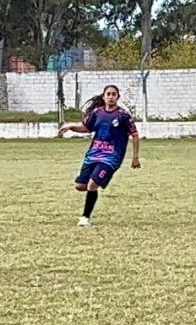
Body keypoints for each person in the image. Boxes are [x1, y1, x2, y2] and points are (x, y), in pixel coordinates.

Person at [57, 85, 141, 227]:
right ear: (104, 97)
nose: (111, 97)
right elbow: (86, 127)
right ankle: (96, 185)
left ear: (118, 97)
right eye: (108, 94)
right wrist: (71, 127)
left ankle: (85, 218)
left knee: (92, 185)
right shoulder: (97, 113)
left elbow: (135, 135)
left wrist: (135, 157)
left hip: (111, 157)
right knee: (80, 186)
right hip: (93, 155)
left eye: (114, 94)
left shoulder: (123, 115)